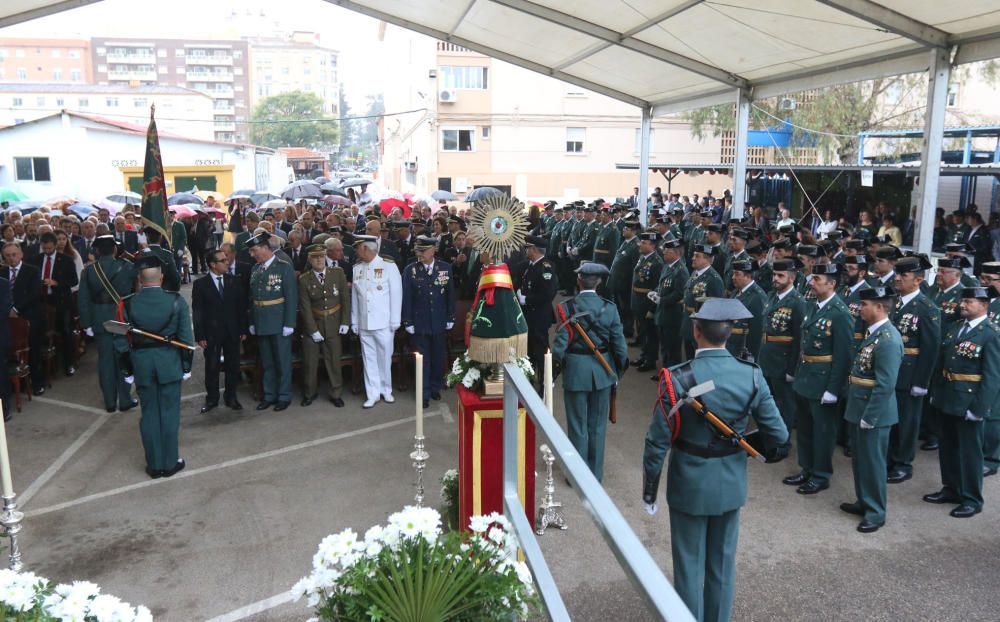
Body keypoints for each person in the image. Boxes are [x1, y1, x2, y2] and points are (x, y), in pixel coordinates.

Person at [643, 297, 788, 621]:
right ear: (731, 332)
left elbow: (657, 441)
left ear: (696, 331)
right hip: (730, 482)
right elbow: (778, 436)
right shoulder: (751, 375)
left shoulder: (677, 377)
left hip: (689, 483)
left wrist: (649, 492)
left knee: (688, 565)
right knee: (722, 564)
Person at [114, 254, 194, 479]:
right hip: (169, 363)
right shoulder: (176, 301)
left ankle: (154, 465)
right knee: (169, 414)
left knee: (149, 414)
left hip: (142, 364)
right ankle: (170, 463)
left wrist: (127, 370)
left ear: (139, 279)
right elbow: (186, 339)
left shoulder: (127, 303)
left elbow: (120, 341)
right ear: (161, 277)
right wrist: (186, 367)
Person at [925, 287, 1000, 518]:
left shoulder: (991, 334)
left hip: (969, 401)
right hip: (948, 397)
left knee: (969, 453)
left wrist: (979, 408)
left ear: (984, 305)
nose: (962, 305)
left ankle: (972, 498)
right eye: (962, 301)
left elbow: (992, 376)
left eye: (969, 302)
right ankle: (951, 489)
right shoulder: (956, 328)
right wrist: (936, 393)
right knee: (948, 448)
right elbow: (941, 364)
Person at [551, 262, 628, 482]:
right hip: (603, 371)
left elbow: (559, 347)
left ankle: (577, 475)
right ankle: (595, 474)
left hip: (576, 371)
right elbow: (620, 347)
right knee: (597, 425)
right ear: (600, 282)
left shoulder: (567, 307)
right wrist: (616, 374)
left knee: (577, 425)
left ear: (578, 280)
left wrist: (554, 372)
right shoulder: (610, 308)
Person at [785, 263, 853, 495]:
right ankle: (806, 468)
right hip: (806, 378)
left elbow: (844, 356)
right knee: (804, 428)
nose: (811, 283)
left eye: (817, 279)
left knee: (823, 432)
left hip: (823, 382)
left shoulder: (840, 313)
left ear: (832, 283)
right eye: (812, 278)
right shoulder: (812, 307)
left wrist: (834, 389)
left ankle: (821, 474)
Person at [840, 286, 903, 533]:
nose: (860, 308)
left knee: (873, 463)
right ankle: (864, 501)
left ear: (879, 307)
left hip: (873, 412)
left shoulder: (888, 338)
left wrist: (871, 416)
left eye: (864, 304)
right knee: (861, 461)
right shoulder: (874, 333)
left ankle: (876, 512)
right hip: (860, 406)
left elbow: (886, 384)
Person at [887, 255, 940, 483]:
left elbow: (930, 349)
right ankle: (889, 457)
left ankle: (903, 463)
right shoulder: (893, 302)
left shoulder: (927, 308)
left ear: (918, 280)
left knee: (907, 421)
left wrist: (921, 382)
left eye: (903, 275)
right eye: (897, 274)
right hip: (889, 371)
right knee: (889, 418)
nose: (897, 279)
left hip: (909, 374)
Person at [247, 231, 298, 412]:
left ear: (265, 248)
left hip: (279, 321)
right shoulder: (255, 269)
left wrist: (289, 323)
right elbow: (252, 298)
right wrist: (252, 321)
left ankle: (284, 396)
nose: (252, 255)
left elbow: (291, 297)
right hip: (261, 321)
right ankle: (269, 395)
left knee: (282, 361)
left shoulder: (283, 267)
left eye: (254, 251)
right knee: (267, 361)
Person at [401, 235, 454, 408]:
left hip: (438, 320)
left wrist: (450, 317)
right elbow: (407, 297)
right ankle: (423, 392)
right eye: (418, 250)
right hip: (420, 321)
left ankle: (434, 387)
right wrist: (407, 320)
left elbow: (450, 295)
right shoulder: (411, 269)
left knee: (438, 358)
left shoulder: (445, 268)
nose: (420, 253)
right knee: (422, 359)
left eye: (423, 250)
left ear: (434, 250)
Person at [192, 249, 247, 413]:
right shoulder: (201, 285)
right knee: (212, 367)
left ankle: (231, 397)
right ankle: (212, 399)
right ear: (213, 265)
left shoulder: (234, 281)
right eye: (223, 261)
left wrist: (243, 329)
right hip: (211, 334)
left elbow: (241, 308)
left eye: (227, 259)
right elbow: (197, 311)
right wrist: (200, 335)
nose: (227, 262)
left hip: (232, 331)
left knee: (232, 366)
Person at [351, 235, 402, 408]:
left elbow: (396, 294)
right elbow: (355, 298)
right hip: (365, 322)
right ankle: (372, 393)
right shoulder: (357, 268)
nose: (356, 251)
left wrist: (395, 320)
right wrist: (355, 321)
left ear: (366, 248)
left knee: (384, 358)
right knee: (369, 359)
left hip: (384, 322)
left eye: (358, 247)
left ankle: (386, 390)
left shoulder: (388, 265)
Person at [298, 244, 351, 408]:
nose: (319, 260)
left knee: (334, 360)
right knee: (310, 362)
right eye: (315, 257)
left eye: (321, 256)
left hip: (334, 323)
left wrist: (345, 322)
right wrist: (313, 330)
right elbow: (305, 307)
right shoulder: (304, 279)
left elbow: (345, 299)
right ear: (310, 259)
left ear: (325, 257)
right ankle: (309, 393)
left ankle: (336, 393)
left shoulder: (338, 273)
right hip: (314, 323)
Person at [758, 259, 806, 431]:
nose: (775, 278)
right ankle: (769, 435)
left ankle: (782, 440)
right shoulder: (771, 296)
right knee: (768, 402)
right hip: (767, 358)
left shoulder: (797, 302)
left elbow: (800, 338)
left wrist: (792, 369)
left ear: (791, 278)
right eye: (774, 275)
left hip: (783, 362)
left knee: (785, 404)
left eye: (780, 275)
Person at [29, 231, 79, 376]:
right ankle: (44, 366)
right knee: (41, 333)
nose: (47, 252)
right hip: (41, 302)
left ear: (55, 245)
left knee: (65, 332)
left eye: (50, 249)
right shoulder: (35, 260)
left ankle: (69, 363)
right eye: (45, 249)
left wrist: (56, 283)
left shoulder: (67, 260)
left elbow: (74, 281)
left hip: (61, 302)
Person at [2, 242, 47, 395]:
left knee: (33, 350)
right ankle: (13, 385)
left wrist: (16, 308)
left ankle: (38, 382)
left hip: (29, 316)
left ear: (21, 254)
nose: (11, 258)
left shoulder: (32, 271)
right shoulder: (2, 272)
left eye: (14, 254)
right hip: (7, 318)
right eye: (7, 256)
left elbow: (34, 293)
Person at [517, 235, 559, 392]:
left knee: (541, 350)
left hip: (539, 316)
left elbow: (548, 294)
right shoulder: (531, 265)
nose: (526, 250)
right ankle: (531, 377)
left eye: (528, 248)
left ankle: (546, 381)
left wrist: (526, 299)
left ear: (534, 250)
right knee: (530, 348)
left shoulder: (545, 267)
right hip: (530, 316)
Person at [652, 237, 688, 371]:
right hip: (663, 313)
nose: (664, 253)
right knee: (665, 346)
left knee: (673, 348)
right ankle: (665, 372)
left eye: (667, 251)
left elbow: (679, 293)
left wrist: (662, 300)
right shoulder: (667, 267)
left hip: (673, 315)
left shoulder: (681, 271)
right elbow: (662, 285)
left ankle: (672, 376)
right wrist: (655, 293)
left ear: (676, 253)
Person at [631, 231, 664, 371]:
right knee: (643, 330)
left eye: (644, 243)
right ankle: (644, 355)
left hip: (647, 301)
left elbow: (657, 287)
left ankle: (650, 360)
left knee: (650, 332)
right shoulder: (643, 258)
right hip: (638, 298)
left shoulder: (656, 262)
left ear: (653, 246)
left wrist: (652, 308)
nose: (641, 244)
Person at [727, 259, 766, 362]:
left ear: (748, 276)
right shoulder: (736, 292)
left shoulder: (757, 297)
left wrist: (751, 358)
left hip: (742, 352)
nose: (733, 278)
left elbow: (757, 333)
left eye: (737, 274)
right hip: (732, 347)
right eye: (733, 274)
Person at [609, 219, 640, 339]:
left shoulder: (635, 245)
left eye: (626, 229)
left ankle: (628, 329)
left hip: (626, 283)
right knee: (620, 307)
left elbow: (634, 268)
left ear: (633, 231)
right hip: (619, 282)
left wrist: (631, 284)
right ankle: (622, 327)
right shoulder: (626, 242)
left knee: (626, 308)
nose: (623, 230)